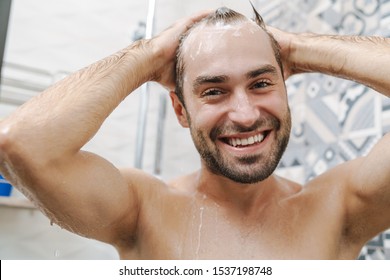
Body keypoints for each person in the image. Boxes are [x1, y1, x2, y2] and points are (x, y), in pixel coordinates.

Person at [0, 6, 389, 260]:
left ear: (286, 91)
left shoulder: (340, 208)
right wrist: (150, 54)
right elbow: (22, 144)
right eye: (214, 91)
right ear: (181, 110)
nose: (245, 114)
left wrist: (296, 46)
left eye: (261, 84)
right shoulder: (142, 211)